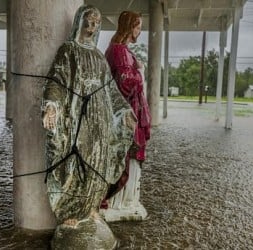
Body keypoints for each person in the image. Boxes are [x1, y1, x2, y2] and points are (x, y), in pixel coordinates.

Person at [41, 5, 136, 248]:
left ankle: (92, 206)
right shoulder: (68, 51)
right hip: (77, 118)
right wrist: (51, 106)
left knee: (97, 164)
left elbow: (111, 90)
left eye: (96, 22)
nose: (92, 26)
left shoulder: (98, 56)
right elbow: (56, 80)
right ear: (79, 22)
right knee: (76, 163)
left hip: (100, 119)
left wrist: (124, 110)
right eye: (89, 21)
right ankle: (71, 211)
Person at [101, 11, 151, 217]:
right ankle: (117, 203)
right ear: (129, 27)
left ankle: (125, 201)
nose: (140, 30)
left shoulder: (121, 50)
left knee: (127, 157)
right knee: (126, 157)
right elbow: (125, 82)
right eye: (137, 25)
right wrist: (140, 71)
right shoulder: (120, 50)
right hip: (125, 116)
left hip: (128, 113)